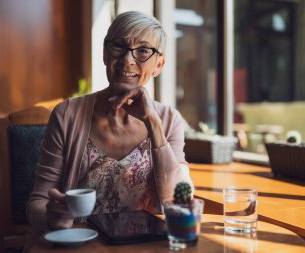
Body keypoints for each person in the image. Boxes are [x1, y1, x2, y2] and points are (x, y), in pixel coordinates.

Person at [25, 11, 193, 250]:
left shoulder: (168, 120)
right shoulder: (67, 115)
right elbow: (37, 203)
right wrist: (52, 217)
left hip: (140, 247)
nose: (127, 60)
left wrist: (153, 124)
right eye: (119, 46)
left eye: (143, 51)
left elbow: (176, 200)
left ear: (159, 65)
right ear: (105, 53)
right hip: (74, 247)